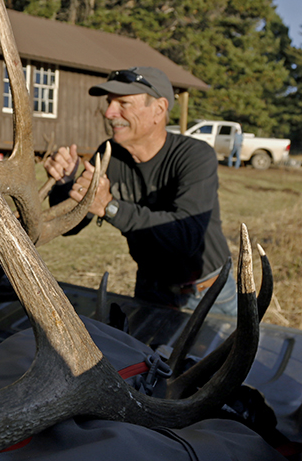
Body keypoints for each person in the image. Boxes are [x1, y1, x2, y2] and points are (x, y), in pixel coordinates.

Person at [44, 66, 236, 316]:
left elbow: (185, 238)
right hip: (150, 289)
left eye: (123, 103)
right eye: (109, 102)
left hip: (208, 296)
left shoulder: (195, 156)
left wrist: (109, 207)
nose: (110, 112)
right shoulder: (110, 153)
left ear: (158, 110)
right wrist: (66, 185)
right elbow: (73, 225)